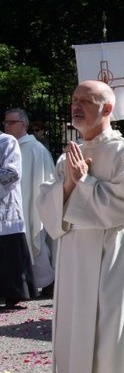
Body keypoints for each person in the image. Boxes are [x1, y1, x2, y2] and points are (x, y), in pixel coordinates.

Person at [36, 80, 124, 373]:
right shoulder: (65, 155)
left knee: (106, 337)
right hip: (74, 257)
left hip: (111, 255)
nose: (77, 106)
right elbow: (50, 212)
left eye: (87, 101)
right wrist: (67, 184)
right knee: (74, 337)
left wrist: (82, 183)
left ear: (108, 109)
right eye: (74, 100)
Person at [4, 108, 56, 291]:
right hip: (11, 207)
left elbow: (47, 180)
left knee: (35, 240)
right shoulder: (7, 146)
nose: (6, 126)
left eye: (11, 122)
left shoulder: (36, 149)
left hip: (31, 206)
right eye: (5, 122)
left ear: (23, 125)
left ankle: (45, 282)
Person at [1, 130, 35, 310]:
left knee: (9, 252)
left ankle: (14, 294)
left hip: (5, 208)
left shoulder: (6, 141)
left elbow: (12, 172)